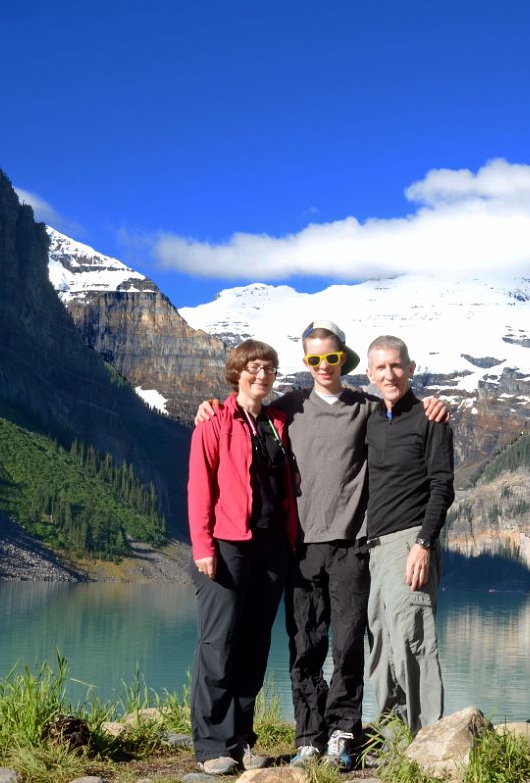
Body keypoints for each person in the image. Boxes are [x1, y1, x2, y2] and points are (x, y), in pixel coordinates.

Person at [195, 320, 447, 769]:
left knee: (349, 645)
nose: (324, 365)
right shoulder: (286, 410)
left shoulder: (366, 407)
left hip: (353, 546)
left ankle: (343, 734)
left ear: (344, 360)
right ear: (306, 363)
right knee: (304, 645)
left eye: (331, 357)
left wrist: (432, 404)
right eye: (314, 359)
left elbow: (400, 408)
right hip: (299, 548)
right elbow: (237, 414)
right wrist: (209, 405)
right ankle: (308, 735)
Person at [187, 340, 298, 775]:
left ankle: (242, 740)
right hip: (227, 543)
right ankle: (212, 742)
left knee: (255, 644)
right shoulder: (213, 421)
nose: (262, 375)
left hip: (270, 548)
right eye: (253, 368)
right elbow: (200, 489)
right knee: (219, 643)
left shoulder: (277, 423)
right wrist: (203, 547)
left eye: (269, 369)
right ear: (237, 372)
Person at [363, 335, 454, 736]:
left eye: (396, 365)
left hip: (410, 543)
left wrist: (423, 543)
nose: (389, 374)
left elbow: (442, 487)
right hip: (376, 548)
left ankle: (428, 740)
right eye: (381, 367)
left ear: (411, 368)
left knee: (413, 640)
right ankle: (390, 736)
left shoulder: (429, 419)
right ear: (369, 374)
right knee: (382, 645)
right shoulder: (370, 419)